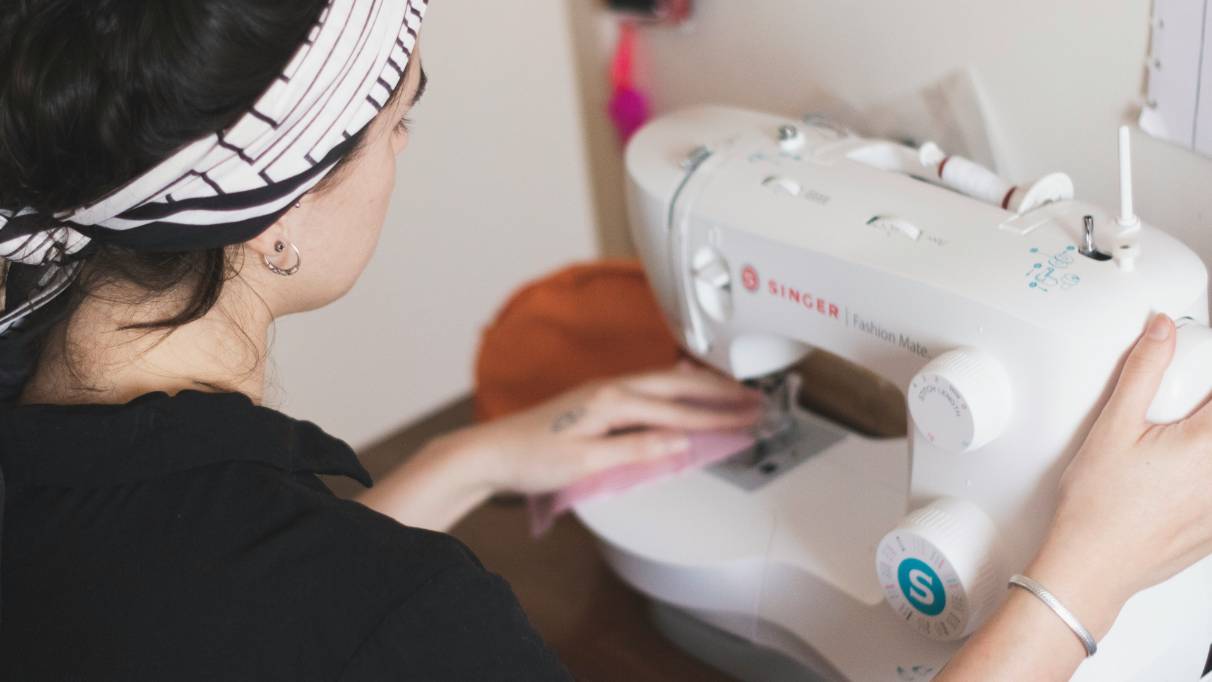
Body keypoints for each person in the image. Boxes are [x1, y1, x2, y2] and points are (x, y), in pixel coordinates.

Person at [0, 2, 1208, 681]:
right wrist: (1078, 581)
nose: (407, 153)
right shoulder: (418, 624)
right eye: (399, 123)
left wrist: (474, 461)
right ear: (270, 219)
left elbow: (226, 613)